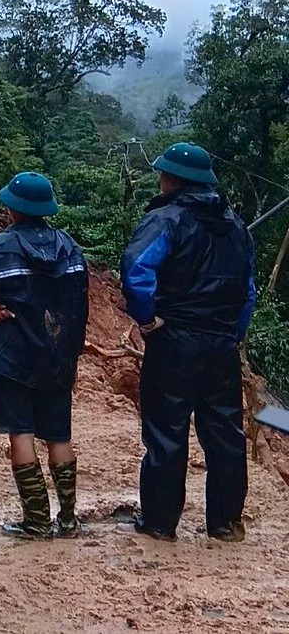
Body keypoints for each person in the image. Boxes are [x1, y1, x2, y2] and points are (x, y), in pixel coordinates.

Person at [121, 142, 256, 543]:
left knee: (167, 431)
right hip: (221, 343)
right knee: (226, 433)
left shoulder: (167, 218)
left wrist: (146, 319)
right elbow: (248, 291)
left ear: (172, 179)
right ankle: (225, 524)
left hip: (174, 340)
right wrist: (234, 332)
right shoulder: (236, 226)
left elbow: (137, 269)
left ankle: (160, 523)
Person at [0, 172, 89, 539]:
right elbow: (80, 304)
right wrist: (71, 352)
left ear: (12, 208)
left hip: (11, 357)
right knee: (59, 435)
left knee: (21, 433)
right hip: (58, 357)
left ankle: (37, 522)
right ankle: (68, 520)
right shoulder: (70, 248)